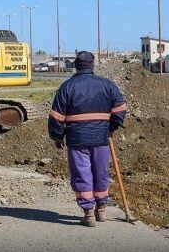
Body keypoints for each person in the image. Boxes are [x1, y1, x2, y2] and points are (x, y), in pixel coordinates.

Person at [47, 51, 127, 227]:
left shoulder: (67, 87)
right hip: (101, 138)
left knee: (82, 173)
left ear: (76, 65)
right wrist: (111, 128)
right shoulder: (107, 85)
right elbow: (120, 109)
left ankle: (89, 214)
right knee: (101, 171)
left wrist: (57, 136)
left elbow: (56, 116)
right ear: (92, 65)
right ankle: (101, 210)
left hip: (77, 139)